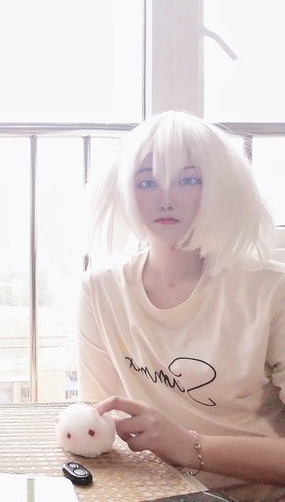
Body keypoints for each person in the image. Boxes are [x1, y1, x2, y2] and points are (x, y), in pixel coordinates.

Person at [77, 110, 285, 490]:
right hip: (148, 492)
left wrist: (189, 446)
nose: (166, 199)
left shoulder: (273, 291)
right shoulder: (100, 289)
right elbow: (99, 423)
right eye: (147, 182)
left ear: (221, 187)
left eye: (188, 179)